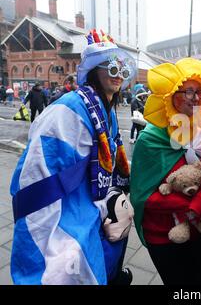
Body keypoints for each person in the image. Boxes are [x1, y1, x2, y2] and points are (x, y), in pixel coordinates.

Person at [10, 30, 136, 285]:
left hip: (93, 203)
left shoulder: (107, 109)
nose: (118, 75)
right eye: (112, 68)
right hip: (67, 208)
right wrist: (48, 238)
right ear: (93, 70)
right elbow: (37, 176)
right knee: (65, 267)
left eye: (122, 69)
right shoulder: (68, 109)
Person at [130, 58, 201, 285]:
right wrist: (193, 204)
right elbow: (144, 196)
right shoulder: (150, 140)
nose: (196, 98)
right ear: (169, 96)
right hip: (163, 235)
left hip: (200, 230)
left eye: (200, 92)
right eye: (188, 91)